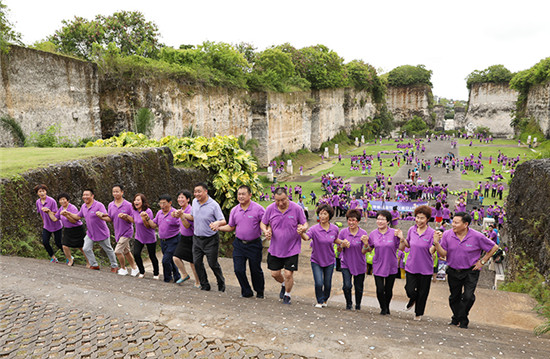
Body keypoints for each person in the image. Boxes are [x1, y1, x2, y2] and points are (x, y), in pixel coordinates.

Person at [434, 212, 499, 329]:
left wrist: (482, 261)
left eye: (456, 223)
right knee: (454, 297)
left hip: (470, 271)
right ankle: (459, 317)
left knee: (468, 296)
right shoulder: (448, 235)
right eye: (452, 222)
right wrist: (436, 243)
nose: (452, 224)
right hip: (453, 270)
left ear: (465, 224)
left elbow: (494, 247)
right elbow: (443, 253)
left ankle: (459, 318)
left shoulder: (477, 236)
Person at [261, 187, 308, 304]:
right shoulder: (270, 209)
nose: (280, 203)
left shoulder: (296, 209)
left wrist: (303, 228)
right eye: (277, 200)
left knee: (288, 274)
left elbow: (305, 223)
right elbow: (263, 223)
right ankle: (283, 284)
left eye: (283, 200)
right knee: (275, 273)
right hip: (275, 248)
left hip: (292, 248)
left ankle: (287, 295)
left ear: (288, 197)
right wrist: (266, 231)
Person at [217, 185, 265, 298]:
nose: (241, 196)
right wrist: (218, 228)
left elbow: (265, 223)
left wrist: (267, 231)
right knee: (238, 270)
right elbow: (230, 226)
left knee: (255, 270)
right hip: (239, 244)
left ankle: (259, 291)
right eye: (239, 194)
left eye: (243, 194)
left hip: (254, 244)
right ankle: (246, 291)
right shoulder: (235, 210)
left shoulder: (258, 209)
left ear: (250, 195)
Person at [183, 183, 226, 292]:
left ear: (205, 192)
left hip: (211, 239)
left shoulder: (213, 205)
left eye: (199, 191)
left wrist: (217, 224)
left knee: (212, 263)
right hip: (197, 238)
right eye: (195, 191)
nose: (196, 194)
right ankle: (205, 284)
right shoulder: (194, 202)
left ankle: (221, 282)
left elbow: (223, 220)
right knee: (197, 262)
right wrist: (181, 215)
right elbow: (192, 217)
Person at [299, 204, 344, 308]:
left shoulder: (335, 228)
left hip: (330, 260)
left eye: (325, 213)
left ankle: (325, 300)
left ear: (329, 215)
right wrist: (301, 232)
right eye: (320, 214)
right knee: (319, 283)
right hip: (316, 260)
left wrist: (343, 243)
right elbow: (306, 238)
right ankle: (319, 301)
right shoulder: (314, 229)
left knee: (327, 284)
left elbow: (335, 240)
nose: (322, 216)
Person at [61, 189, 118, 271]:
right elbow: (77, 217)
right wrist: (68, 214)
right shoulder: (83, 206)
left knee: (108, 249)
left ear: (92, 196)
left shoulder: (99, 205)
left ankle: (114, 266)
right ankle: (94, 265)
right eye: (84, 195)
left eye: (87, 195)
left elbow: (107, 217)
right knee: (86, 248)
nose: (85, 197)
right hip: (90, 233)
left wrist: (101, 215)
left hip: (101, 232)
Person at [400, 205, 436, 321]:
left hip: (425, 268)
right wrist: (402, 238)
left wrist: (436, 243)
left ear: (427, 219)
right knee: (409, 289)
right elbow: (408, 244)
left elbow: (431, 250)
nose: (419, 220)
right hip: (411, 265)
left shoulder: (431, 233)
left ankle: (418, 314)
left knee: (423, 293)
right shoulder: (412, 230)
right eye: (417, 217)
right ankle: (412, 299)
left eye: (422, 218)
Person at [366, 210, 404, 315]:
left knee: (388, 289)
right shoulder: (373, 234)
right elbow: (369, 249)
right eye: (378, 219)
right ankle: (383, 308)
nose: (380, 221)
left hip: (391, 264)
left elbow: (401, 248)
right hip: (378, 264)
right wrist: (365, 244)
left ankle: (387, 307)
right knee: (379, 289)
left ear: (388, 221)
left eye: (382, 219)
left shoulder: (394, 233)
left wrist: (401, 238)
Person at [98, 184, 139, 276]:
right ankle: (134, 268)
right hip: (118, 232)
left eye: (117, 191)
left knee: (117, 251)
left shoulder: (128, 205)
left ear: (122, 192)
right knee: (126, 251)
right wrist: (101, 217)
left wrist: (126, 217)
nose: (115, 193)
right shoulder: (111, 205)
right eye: (114, 192)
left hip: (127, 231)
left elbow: (134, 220)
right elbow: (110, 219)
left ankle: (123, 268)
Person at [141, 194, 181, 283]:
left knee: (165, 260)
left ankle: (167, 279)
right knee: (170, 259)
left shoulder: (175, 213)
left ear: (170, 203)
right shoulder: (159, 213)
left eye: (164, 203)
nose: (162, 206)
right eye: (161, 203)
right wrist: (147, 218)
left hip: (173, 240)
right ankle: (177, 276)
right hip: (163, 241)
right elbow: (153, 225)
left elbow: (182, 224)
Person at [45, 193, 89, 267]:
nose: (62, 201)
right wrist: (49, 212)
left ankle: (89, 262)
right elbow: (55, 219)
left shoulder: (72, 208)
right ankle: (70, 260)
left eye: (64, 199)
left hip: (77, 229)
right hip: (68, 229)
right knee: (65, 246)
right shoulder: (61, 208)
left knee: (81, 247)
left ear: (67, 200)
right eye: (60, 200)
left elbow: (74, 221)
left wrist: (66, 215)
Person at [338, 209, 368, 310]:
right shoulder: (343, 232)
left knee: (359, 287)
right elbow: (338, 249)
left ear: (358, 221)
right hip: (346, 262)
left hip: (359, 263)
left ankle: (358, 304)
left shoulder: (363, 233)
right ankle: (349, 303)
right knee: (347, 286)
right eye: (349, 220)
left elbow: (365, 250)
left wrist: (366, 243)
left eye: (354, 220)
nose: (351, 222)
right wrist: (342, 245)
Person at [172, 190, 200, 287]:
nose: (180, 199)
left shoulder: (191, 210)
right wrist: (175, 215)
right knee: (175, 257)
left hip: (192, 239)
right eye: (179, 197)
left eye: (182, 197)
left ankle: (198, 282)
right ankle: (184, 274)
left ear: (188, 199)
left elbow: (187, 225)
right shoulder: (180, 210)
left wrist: (182, 216)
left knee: (193, 263)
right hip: (183, 238)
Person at [128, 193, 159, 279]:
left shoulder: (148, 211)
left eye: (138, 200)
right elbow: (134, 220)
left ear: (143, 202)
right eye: (135, 200)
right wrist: (126, 216)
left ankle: (156, 273)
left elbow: (148, 226)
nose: (136, 202)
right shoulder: (134, 210)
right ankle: (142, 271)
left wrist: (144, 219)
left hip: (149, 237)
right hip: (139, 237)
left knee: (152, 256)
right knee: (136, 254)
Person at [34, 184, 63, 263]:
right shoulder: (38, 202)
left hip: (56, 225)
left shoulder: (51, 201)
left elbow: (56, 213)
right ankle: (53, 257)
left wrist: (48, 211)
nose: (42, 193)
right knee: (45, 242)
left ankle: (69, 257)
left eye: (43, 191)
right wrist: (44, 222)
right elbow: (40, 213)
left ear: (46, 191)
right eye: (40, 191)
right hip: (46, 226)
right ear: (37, 193)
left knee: (58, 243)